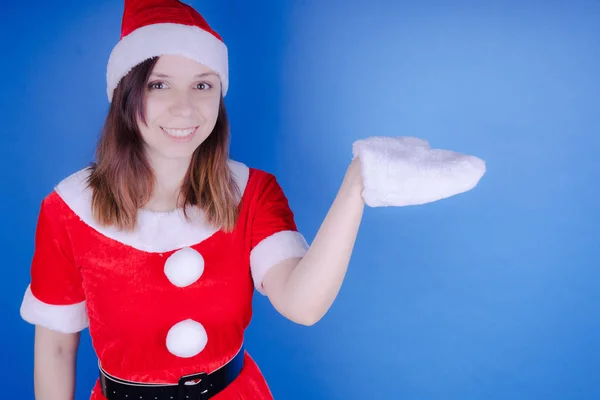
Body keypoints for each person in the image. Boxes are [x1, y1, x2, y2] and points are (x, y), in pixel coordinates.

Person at [19, 1, 486, 399]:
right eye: (159, 84)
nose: (185, 107)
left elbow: (302, 305)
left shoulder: (252, 192)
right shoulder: (69, 208)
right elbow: (58, 345)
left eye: (203, 84)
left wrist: (357, 185)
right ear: (126, 95)